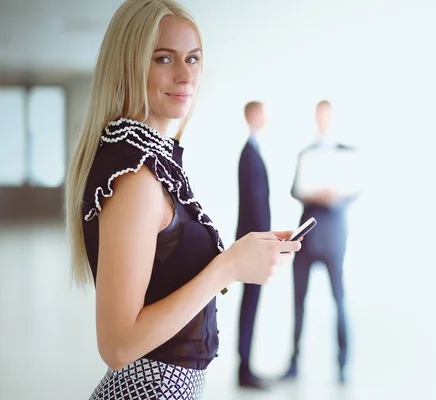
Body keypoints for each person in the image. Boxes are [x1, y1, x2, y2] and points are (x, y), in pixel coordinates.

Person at [63, 1, 301, 399]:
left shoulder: (149, 160)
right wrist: (227, 268)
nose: (185, 74)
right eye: (163, 58)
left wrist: (238, 259)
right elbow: (118, 346)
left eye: (193, 58)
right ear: (129, 64)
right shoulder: (136, 176)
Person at [282, 100, 358, 384]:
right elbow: (294, 189)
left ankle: (343, 365)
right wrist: (313, 194)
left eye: (327, 116)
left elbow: (354, 191)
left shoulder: (346, 154)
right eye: (319, 116)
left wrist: (335, 196)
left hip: (335, 235)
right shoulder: (307, 153)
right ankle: (294, 363)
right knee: (298, 301)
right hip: (307, 234)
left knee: (339, 300)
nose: (322, 120)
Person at [235, 101, 272, 390]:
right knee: (250, 303)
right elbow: (253, 203)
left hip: (256, 241)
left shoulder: (254, 151)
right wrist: (262, 241)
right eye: (261, 112)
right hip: (254, 244)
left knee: (251, 302)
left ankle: (246, 365)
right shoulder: (248, 154)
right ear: (251, 116)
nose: (264, 118)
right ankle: (244, 367)